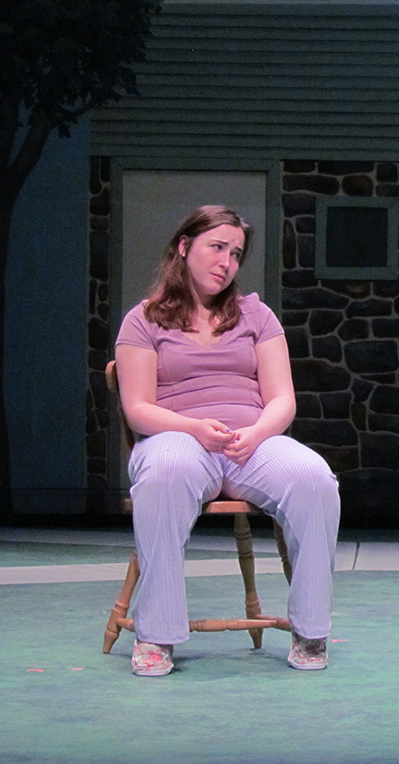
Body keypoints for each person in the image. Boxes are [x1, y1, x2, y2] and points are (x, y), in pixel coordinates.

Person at [114, 205, 341, 677]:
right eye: (217, 248)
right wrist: (193, 428)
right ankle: (156, 634)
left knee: (314, 478)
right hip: (177, 436)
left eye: (235, 253)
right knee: (164, 474)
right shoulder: (143, 321)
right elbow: (137, 407)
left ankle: (311, 627)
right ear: (184, 247)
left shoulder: (255, 315)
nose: (227, 262)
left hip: (249, 439)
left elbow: (282, 399)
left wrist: (258, 432)